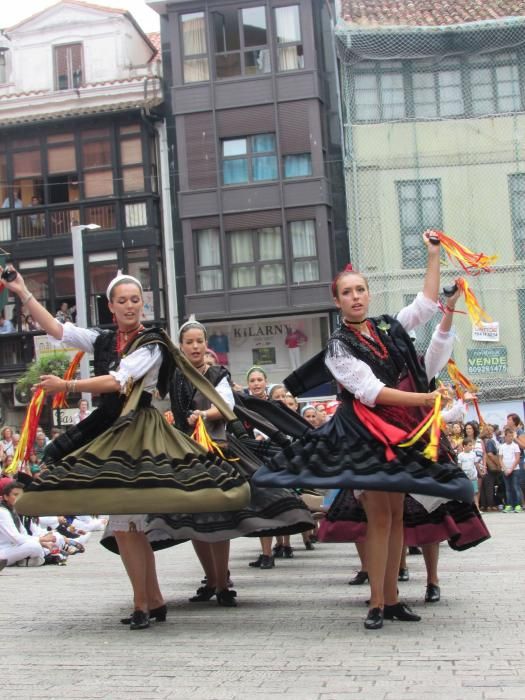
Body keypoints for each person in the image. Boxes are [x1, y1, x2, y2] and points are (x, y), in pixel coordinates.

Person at [1, 264, 249, 630]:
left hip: (137, 432)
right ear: (111, 306)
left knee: (126, 521)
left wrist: (67, 388)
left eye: (136, 299)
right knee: (126, 524)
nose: (131, 306)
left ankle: (145, 602)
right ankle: (150, 600)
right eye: (123, 300)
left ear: (142, 304)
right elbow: (58, 329)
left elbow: (121, 381)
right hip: (109, 431)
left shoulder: (151, 342)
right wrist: (22, 292)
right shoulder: (103, 339)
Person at [253, 233, 473, 630]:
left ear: (369, 295)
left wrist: (434, 254)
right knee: (379, 518)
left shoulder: (386, 328)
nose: (355, 297)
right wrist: (423, 402)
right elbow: (370, 393)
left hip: (395, 431)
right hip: (364, 435)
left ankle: (390, 599)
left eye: (360, 290)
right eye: (347, 293)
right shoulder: (338, 347)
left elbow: (425, 304)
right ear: (337, 302)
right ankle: (377, 601)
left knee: (393, 517)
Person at [142, 319, 313, 593]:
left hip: (215, 452)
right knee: (195, 522)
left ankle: (222, 581)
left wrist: (203, 415)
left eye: (199, 341)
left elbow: (225, 406)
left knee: (217, 521)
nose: (195, 346)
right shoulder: (173, 375)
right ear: (181, 346)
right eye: (189, 342)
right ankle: (212, 579)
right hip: (184, 453)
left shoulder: (218, 374)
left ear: (206, 344)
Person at [0, 481, 53, 567]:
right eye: (15, 495)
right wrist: (40, 540)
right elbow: (15, 537)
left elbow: (23, 534)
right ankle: (30, 560)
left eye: (21, 496)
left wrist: (42, 542)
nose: (19, 498)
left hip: (12, 548)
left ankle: (25, 561)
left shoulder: (14, 511)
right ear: (6, 497)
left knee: (43, 545)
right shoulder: (2, 512)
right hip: (3, 551)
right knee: (34, 546)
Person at [498, 427, 522, 513]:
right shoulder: (502, 447)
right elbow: (500, 459)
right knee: (508, 488)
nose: (510, 438)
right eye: (508, 436)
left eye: (512, 436)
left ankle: (518, 505)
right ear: (505, 437)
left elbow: (517, 458)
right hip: (505, 470)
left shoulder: (515, 446)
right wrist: (504, 469)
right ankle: (509, 505)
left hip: (515, 470)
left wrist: (511, 469)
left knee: (515, 487)